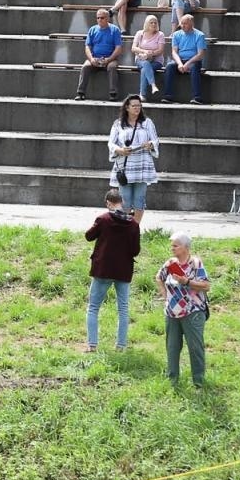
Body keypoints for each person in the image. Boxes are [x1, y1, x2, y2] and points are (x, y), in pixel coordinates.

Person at [84, 189, 140, 352]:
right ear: (121, 202)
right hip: (123, 271)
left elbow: (88, 236)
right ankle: (121, 346)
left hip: (103, 269)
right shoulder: (133, 224)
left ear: (108, 203)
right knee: (123, 308)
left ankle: (92, 345)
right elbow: (135, 250)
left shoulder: (103, 219)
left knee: (93, 307)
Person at [157, 231, 210, 386]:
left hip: (193, 312)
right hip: (172, 313)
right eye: (172, 245)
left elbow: (206, 286)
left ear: (185, 247)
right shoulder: (170, 263)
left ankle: (198, 382)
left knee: (195, 348)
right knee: (172, 347)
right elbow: (159, 277)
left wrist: (186, 281)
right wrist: (165, 295)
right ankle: (172, 380)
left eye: (176, 245)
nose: (172, 248)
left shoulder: (195, 263)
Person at [109, 95, 159, 222]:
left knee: (139, 199)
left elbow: (155, 140)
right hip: (125, 166)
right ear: (127, 107)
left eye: (139, 105)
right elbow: (111, 143)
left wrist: (150, 144)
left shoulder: (147, 122)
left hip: (142, 165)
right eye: (134, 106)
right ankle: (124, 228)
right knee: (124, 199)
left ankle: (135, 228)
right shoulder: (118, 123)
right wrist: (119, 150)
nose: (137, 108)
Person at [75, 7, 124, 101]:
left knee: (112, 67)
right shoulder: (92, 30)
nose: (99, 20)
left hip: (110, 59)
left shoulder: (115, 30)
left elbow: (118, 48)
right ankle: (80, 93)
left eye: (102, 18)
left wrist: (109, 59)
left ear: (108, 18)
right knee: (85, 66)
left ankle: (113, 94)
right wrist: (92, 59)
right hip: (95, 58)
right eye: (98, 18)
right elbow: (87, 47)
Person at [162, 13, 207, 105]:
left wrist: (187, 64)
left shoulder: (199, 35)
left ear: (191, 24)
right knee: (170, 66)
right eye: (181, 23)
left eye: (185, 23)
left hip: (194, 60)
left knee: (195, 67)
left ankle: (197, 97)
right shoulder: (176, 34)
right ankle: (168, 96)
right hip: (180, 60)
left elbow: (200, 54)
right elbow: (174, 52)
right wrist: (179, 64)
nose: (182, 26)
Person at [132, 15, 167, 101]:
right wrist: (144, 52)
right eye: (151, 23)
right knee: (145, 64)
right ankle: (153, 85)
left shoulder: (160, 34)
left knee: (145, 69)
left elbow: (161, 50)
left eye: (155, 22)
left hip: (156, 61)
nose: (154, 24)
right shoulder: (139, 33)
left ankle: (142, 95)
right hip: (140, 59)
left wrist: (151, 54)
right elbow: (133, 48)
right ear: (147, 24)